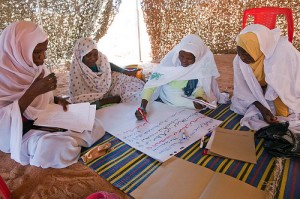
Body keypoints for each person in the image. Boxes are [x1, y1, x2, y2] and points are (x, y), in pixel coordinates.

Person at [0, 21, 105, 168]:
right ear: (17, 50)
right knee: (52, 147)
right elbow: (3, 126)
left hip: (48, 121)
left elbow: (43, 100)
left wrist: (56, 100)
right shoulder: (2, 76)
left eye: (44, 51)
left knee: (95, 125)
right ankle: (68, 143)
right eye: (37, 53)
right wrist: (32, 92)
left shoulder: (38, 68)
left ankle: (70, 142)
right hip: (23, 133)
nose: (43, 58)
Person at [135, 34, 229, 120]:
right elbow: (151, 85)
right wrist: (143, 107)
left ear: (197, 58)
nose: (184, 61)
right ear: (178, 53)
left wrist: (199, 97)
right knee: (175, 99)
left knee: (204, 100)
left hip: (190, 93)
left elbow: (199, 86)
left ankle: (196, 103)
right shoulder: (169, 65)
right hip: (171, 93)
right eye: (182, 56)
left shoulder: (199, 66)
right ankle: (192, 104)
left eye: (189, 59)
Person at [230, 24, 300, 132]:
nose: (242, 58)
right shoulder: (239, 61)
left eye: (246, 54)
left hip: (287, 85)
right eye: (239, 54)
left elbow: (284, 85)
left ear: (258, 48)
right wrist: (262, 108)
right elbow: (242, 89)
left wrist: (272, 104)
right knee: (240, 105)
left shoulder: (281, 53)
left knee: (286, 112)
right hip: (264, 86)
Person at [69, 37, 145, 107]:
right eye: (88, 55)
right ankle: (106, 101)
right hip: (95, 94)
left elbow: (108, 65)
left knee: (135, 86)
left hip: (108, 84)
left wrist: (125, 71)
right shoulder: (76, 74)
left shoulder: (101, 59)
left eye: (95, 54)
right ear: (80, 56)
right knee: (86, 105)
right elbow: (78, 100)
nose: (93, 58)